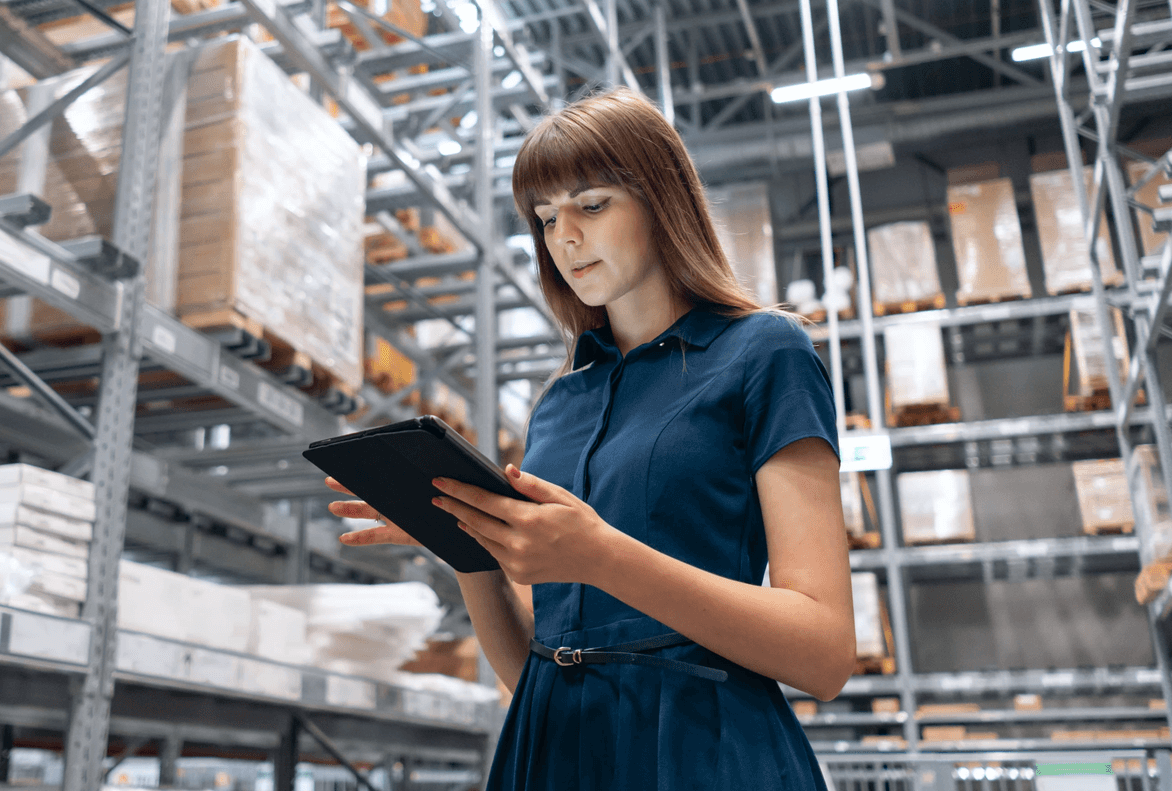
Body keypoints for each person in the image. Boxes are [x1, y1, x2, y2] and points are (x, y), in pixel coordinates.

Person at [327, 86, 854, 788]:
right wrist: (465, 542)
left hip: (703, 754)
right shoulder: (559, 403)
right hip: (551, 749)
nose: (563, 236)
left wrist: (601, 556)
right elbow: (535, 666)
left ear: (663, 198)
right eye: (544, 218)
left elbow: (824, 652)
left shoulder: (766, 354)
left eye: (592, 204)